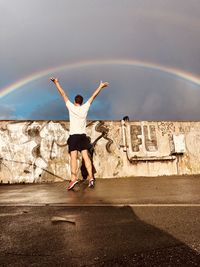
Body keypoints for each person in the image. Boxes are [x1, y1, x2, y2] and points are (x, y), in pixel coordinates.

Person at [50, 77, 109, 190]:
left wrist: (56, 82)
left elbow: (63, 93)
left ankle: (73, 179)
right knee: (86, 157)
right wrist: (100, 87)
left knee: (73, 158)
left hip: (74, 136)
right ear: (81, 102)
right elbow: (93, 96)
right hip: (83, 136)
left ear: (74, 101)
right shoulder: (85, 108)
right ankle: (91, 177)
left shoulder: (71, 107)